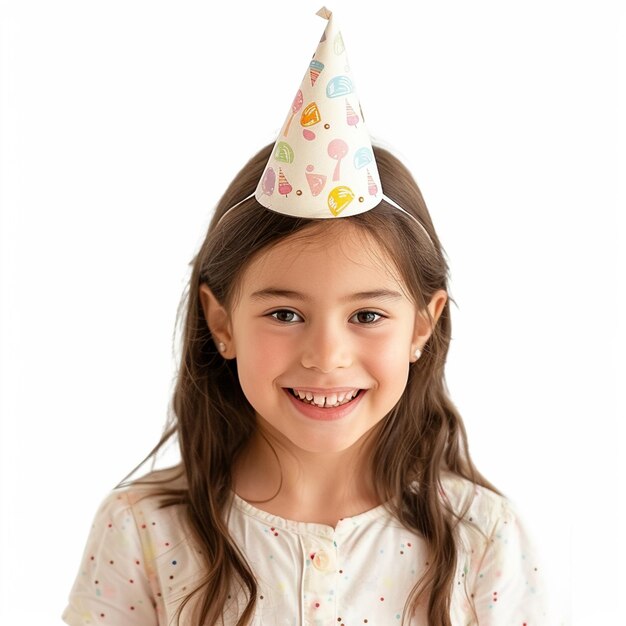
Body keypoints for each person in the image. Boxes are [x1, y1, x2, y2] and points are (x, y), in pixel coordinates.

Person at [62, 7, 549, 626]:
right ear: (222, 322)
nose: (326, 354)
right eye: (286, 313)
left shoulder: (480, 538)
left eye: (368, 315)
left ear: (421, 327)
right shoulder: (143, 531)